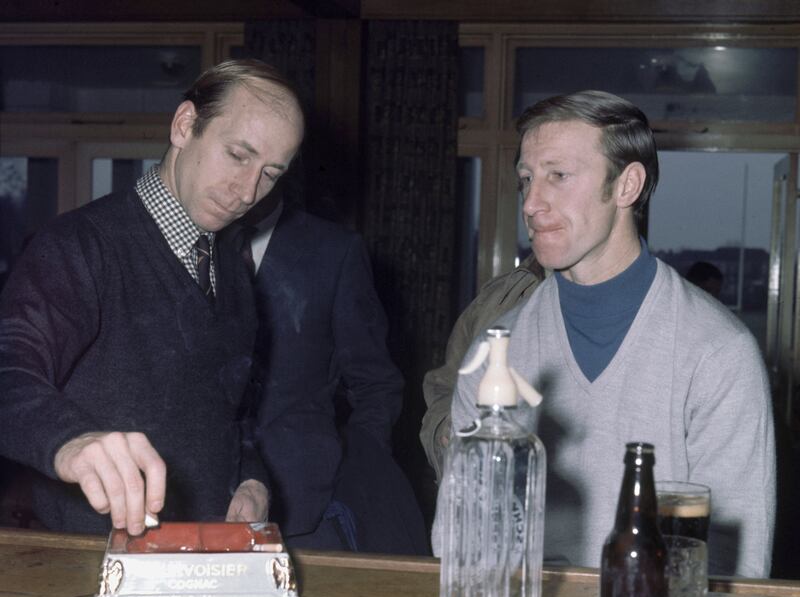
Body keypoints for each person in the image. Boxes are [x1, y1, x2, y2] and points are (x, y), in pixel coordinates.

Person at [442, 90, 775, 579]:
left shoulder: (718, 352)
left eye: (559, 175)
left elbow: (735, 565)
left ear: (627, 185)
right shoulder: (498, 350)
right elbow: (459, 534)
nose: (532, 203)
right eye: (526, 180)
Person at [0, 59, 304, 536]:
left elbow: (233, 412)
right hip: (90, 566)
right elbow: (9, 369)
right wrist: (70, 442)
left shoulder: (233, 271)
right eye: (238, 155)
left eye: (270, 174)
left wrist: (251, 478)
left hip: (206, 559)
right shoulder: (78, 246)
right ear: (185, 126)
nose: (248, 192)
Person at [225, 187, 430, 554]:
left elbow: (376, 384)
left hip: (304, 514)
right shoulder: (190, 239)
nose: (249, 180)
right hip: (192, 506)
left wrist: (351, 466)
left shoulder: (332, 251)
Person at [420, 253, 545, 482]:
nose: (530, 214)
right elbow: (445, 384)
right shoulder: (501, 295)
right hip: (485, 502)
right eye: (524, 213)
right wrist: (446, 433)